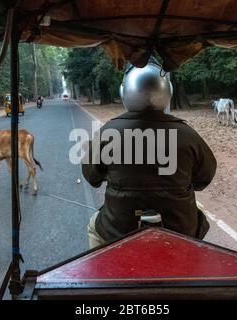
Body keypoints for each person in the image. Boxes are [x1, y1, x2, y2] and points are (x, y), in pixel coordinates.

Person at [82, 57, 217, 249]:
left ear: (124, 92)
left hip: (118, 229)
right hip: (180, 229)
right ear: (167, 92)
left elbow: (91, 177)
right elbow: (204, 178)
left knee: (93, 227)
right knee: (197, 215)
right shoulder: (187, 134)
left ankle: (102, 277)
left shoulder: (108, 132)